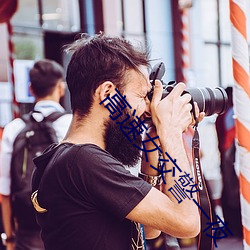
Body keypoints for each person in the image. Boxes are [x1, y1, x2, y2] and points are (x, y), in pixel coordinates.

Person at [31, 33, 202, 250]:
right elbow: (187, 222)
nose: (148, 109)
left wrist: (152, 147)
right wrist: (171, 132)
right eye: (141, 96)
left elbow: (150, 229)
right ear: (107, 93)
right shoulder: (84, 162)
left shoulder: (66, 158)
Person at [0, 59, 72, 250]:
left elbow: (5, 191)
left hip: (27, 233)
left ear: (31, 89)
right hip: (67, 230)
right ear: (60, 88)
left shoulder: (14, 128)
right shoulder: (71, 124)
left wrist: (9, 239)